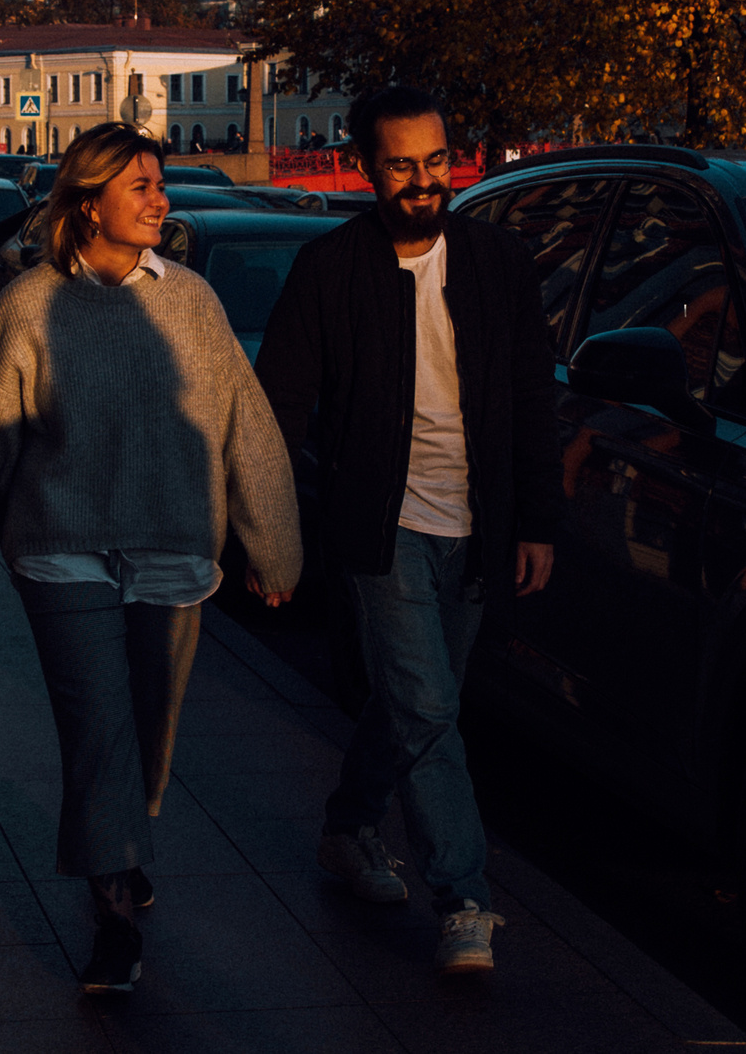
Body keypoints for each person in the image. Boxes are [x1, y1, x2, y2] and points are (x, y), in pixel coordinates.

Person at [0, 123, 301, 995]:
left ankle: (123, 842)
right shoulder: (30, 306)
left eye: (161, 184)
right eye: (141, 186)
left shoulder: (193, 303)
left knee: (149, 726)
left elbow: (249, 426)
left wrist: (273, 544)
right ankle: (114, 920)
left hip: (171, 549)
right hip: (62, 550)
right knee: (99, 728)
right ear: (89, 201)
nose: (160, 199)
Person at [253, 84, 560, 976]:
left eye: (436, 162)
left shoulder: (501, 262)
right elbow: (280, 406)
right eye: (402, 165)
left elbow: (533, 400)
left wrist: (538, 518)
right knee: (428, 707)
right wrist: (275, 529)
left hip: (479, 523)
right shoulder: (330, 270)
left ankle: (348, 830)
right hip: (382, 529)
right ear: (366, 168)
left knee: (418, 704)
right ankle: (464, 897)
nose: (425, 181)